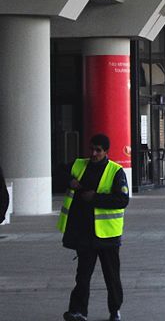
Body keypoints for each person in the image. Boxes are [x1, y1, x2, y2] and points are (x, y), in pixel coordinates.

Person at [58, 133, 129, 321]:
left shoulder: (115, 171)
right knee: (82, 276)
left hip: (107, 236)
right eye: (92, 149)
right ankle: (78, 311)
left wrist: (95, 198)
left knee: (112, 277)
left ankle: (115, 311)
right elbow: (59, 172)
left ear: (106, 151)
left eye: (98, 150)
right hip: (84, 234)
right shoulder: (79, 165)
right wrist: (69, 181)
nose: (94, 153)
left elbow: (122, 200)